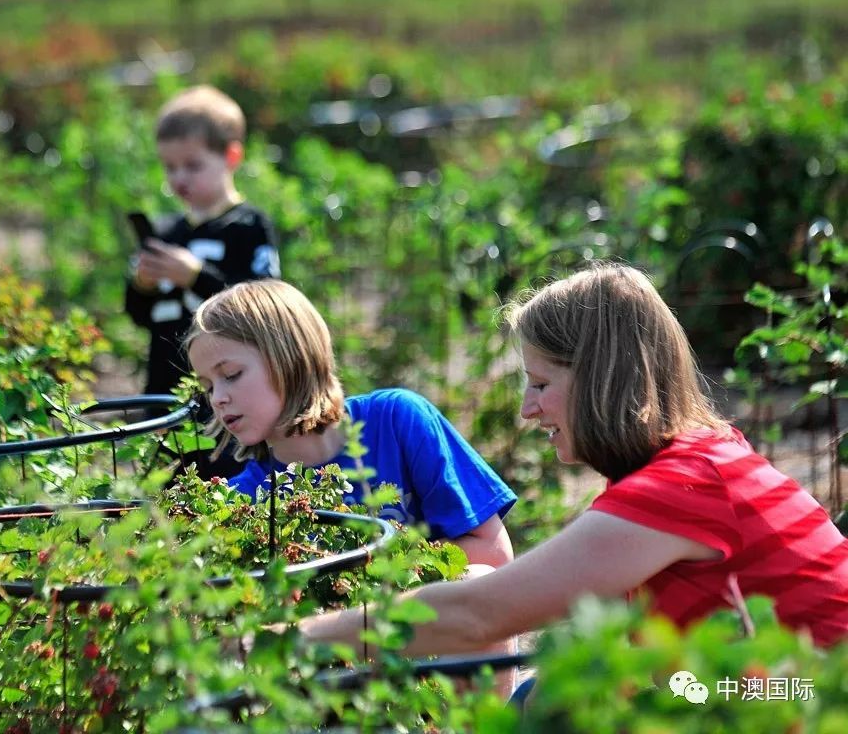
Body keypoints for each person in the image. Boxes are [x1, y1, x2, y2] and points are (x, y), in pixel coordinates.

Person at [294, 262, 848, 665]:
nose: (526, 409)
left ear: (600, 377)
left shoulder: (682, 485)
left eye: (540, 383)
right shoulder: (705, 455)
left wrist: (284, 639)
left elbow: (480, 615)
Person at [184, 279, 517, 571]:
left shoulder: (397, 420)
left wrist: (370, 579)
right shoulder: (245, 502)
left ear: (290, 357)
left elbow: (493, 554)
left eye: (231, 375)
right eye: (209, 387)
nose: (218, 399)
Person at [125, 84, 280, 399]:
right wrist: (143, 284)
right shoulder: (166, 233)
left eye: (193, 165)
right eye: (170, 167)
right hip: (162, 390)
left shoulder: (248, 226)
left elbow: (264, 305)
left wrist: (196, 277)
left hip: (226, 395)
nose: (179, 177)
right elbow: (138, 314)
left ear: (231, 156)